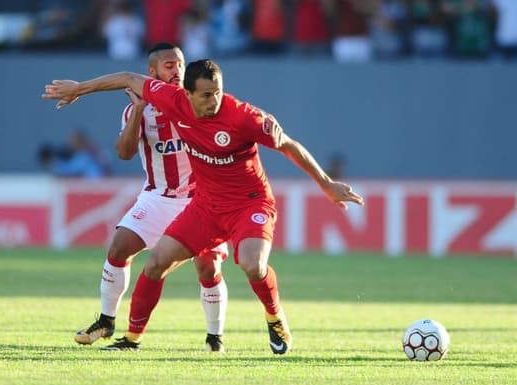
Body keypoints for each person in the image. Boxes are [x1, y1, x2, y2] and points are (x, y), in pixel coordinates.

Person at [42, 59, 363, 354]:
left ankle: (275, 318)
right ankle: (132, 340)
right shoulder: (172, 100)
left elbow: (289, 145)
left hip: (249, 203)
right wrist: (80, 89)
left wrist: (326, 184)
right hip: (206, 207)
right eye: (206, 95)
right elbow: (128, 77)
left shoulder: (244, 117)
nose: (214, 101)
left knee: (252, 264)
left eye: (217, 92)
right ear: (187, 95)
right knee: (155, 264)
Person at [73, 43, 229, 352]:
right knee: (119, 247)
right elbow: (125, 153)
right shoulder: (136, 110)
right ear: (153, 72)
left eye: (180, 64)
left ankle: (215, 338)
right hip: (159, 196)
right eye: (169, 65)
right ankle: (106, 320)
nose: (176, 70)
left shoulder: (201, 101)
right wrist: (140, 111)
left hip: (201, 199)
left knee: (208, 267)